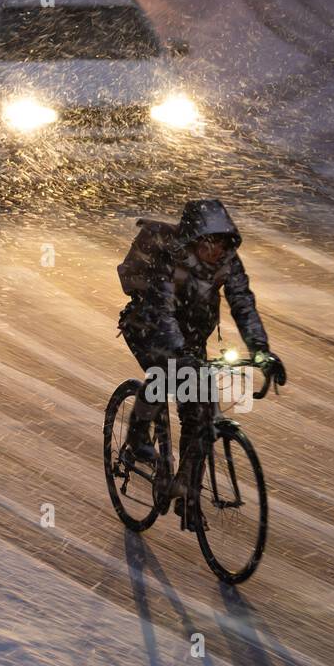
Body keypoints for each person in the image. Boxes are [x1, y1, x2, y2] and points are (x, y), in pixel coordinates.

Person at [116, 199, 284, 515]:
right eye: (210, 242)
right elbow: (162, 310)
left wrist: (261, 350)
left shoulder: (229, 263)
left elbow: (243, 303)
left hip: (190, 337)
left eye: (221, 243)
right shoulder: (169, 259)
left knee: (200, 410)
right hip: (148, 327)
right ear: (194, 239)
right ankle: (138, 435)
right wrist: (179, 353)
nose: (216, 251)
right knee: (164, 375)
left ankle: (186, 487)